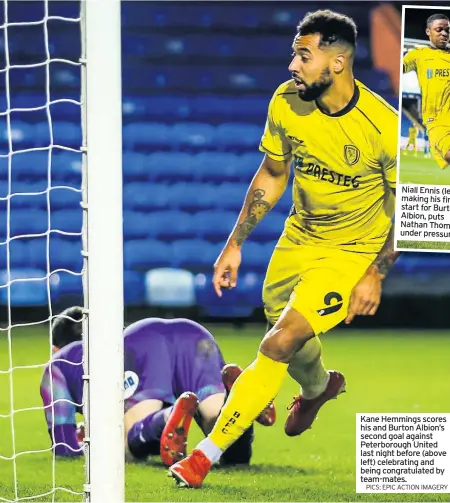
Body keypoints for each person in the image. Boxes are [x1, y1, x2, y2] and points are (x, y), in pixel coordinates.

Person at [169, 9, 400, 488]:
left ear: (336, 63)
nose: (293, 65)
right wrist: (235, 244)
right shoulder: (287, 102)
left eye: (303, 55)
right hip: (298, 239)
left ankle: (202, 458)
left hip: (351, 250)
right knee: (288, 338)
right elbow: (274, 174)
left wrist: (375, 271)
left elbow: (414, 201)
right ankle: (318, 388)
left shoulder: (382, 126)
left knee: (276, 343)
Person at [40, 306, 276, 467]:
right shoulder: (116, 338)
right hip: (193, 332)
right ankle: (241, 398)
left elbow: (65, 448)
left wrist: (85, 440)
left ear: (55, 349)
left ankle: (167, 417)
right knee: (219, 424)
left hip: (142, 342)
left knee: (127, 448)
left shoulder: (58, 364)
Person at [403, 13, 450, 169]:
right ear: (428, 32)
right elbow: (395, 68)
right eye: (439, 29)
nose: (444, 33)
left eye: (448, 30)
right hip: (436, 119)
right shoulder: (418, 55)